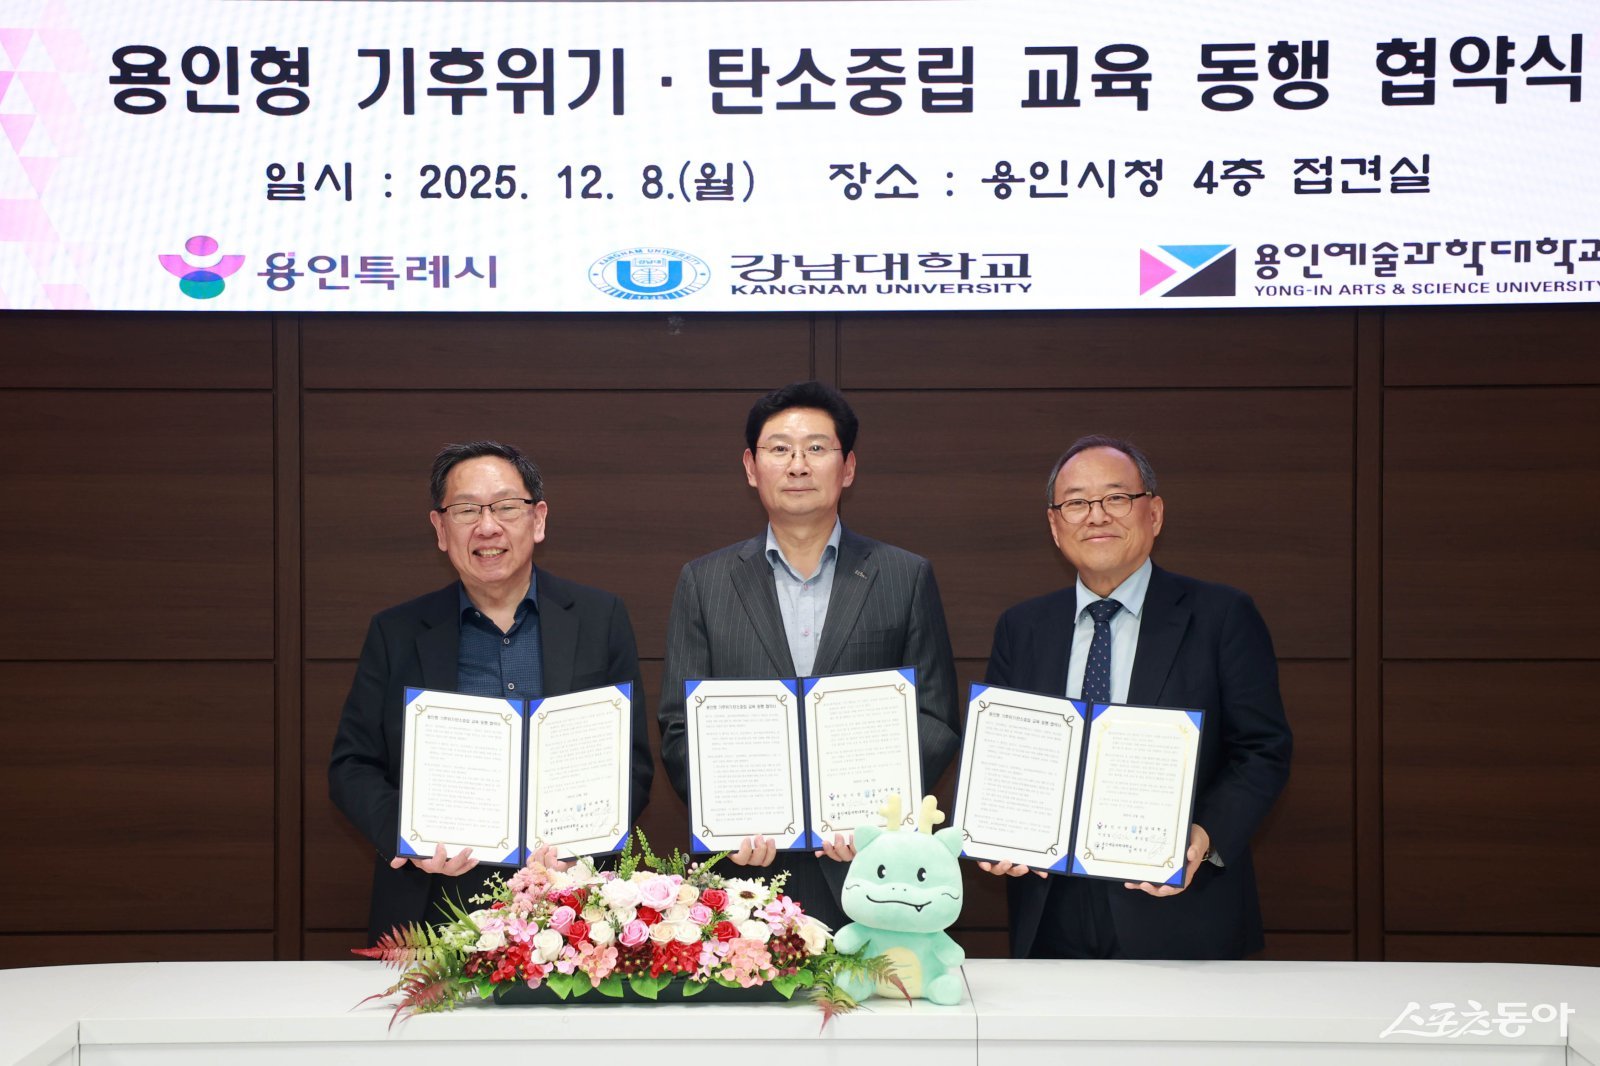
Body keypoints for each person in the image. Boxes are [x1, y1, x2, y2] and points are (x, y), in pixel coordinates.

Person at [658, 381, 960, 930]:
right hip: (748, 877)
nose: (798, 465)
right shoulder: (704, 582)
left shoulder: (904, 575)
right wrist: (731, 820)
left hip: (875, 872)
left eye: (817, 448)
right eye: (780, 449)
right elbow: (680, 728)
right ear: (751, 467)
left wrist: (879, 818)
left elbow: (935, 718)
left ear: (848, 468)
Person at [982, 434, 1292, 960]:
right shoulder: (1022, 627)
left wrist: (1204, 837)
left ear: (1155, 513)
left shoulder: (1221, 616)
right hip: (1051, 909)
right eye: (1076, 503)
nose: (1096, 515)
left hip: (1181, 911)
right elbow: (1005, 757)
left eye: (1116, 498)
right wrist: (999, 831)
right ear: (1055, 526)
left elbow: (1263, 749)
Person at [329, 440, 652, 945]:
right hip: (434, 906)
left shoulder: (599, 618)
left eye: (505, 507)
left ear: (538, 519)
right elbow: (352, 765)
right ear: (440, 529)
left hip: (572, 907)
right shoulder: (396, 632)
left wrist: (583, 844)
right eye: (466, 510)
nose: (487, 526)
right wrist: (408, 836)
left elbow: (632, 762)